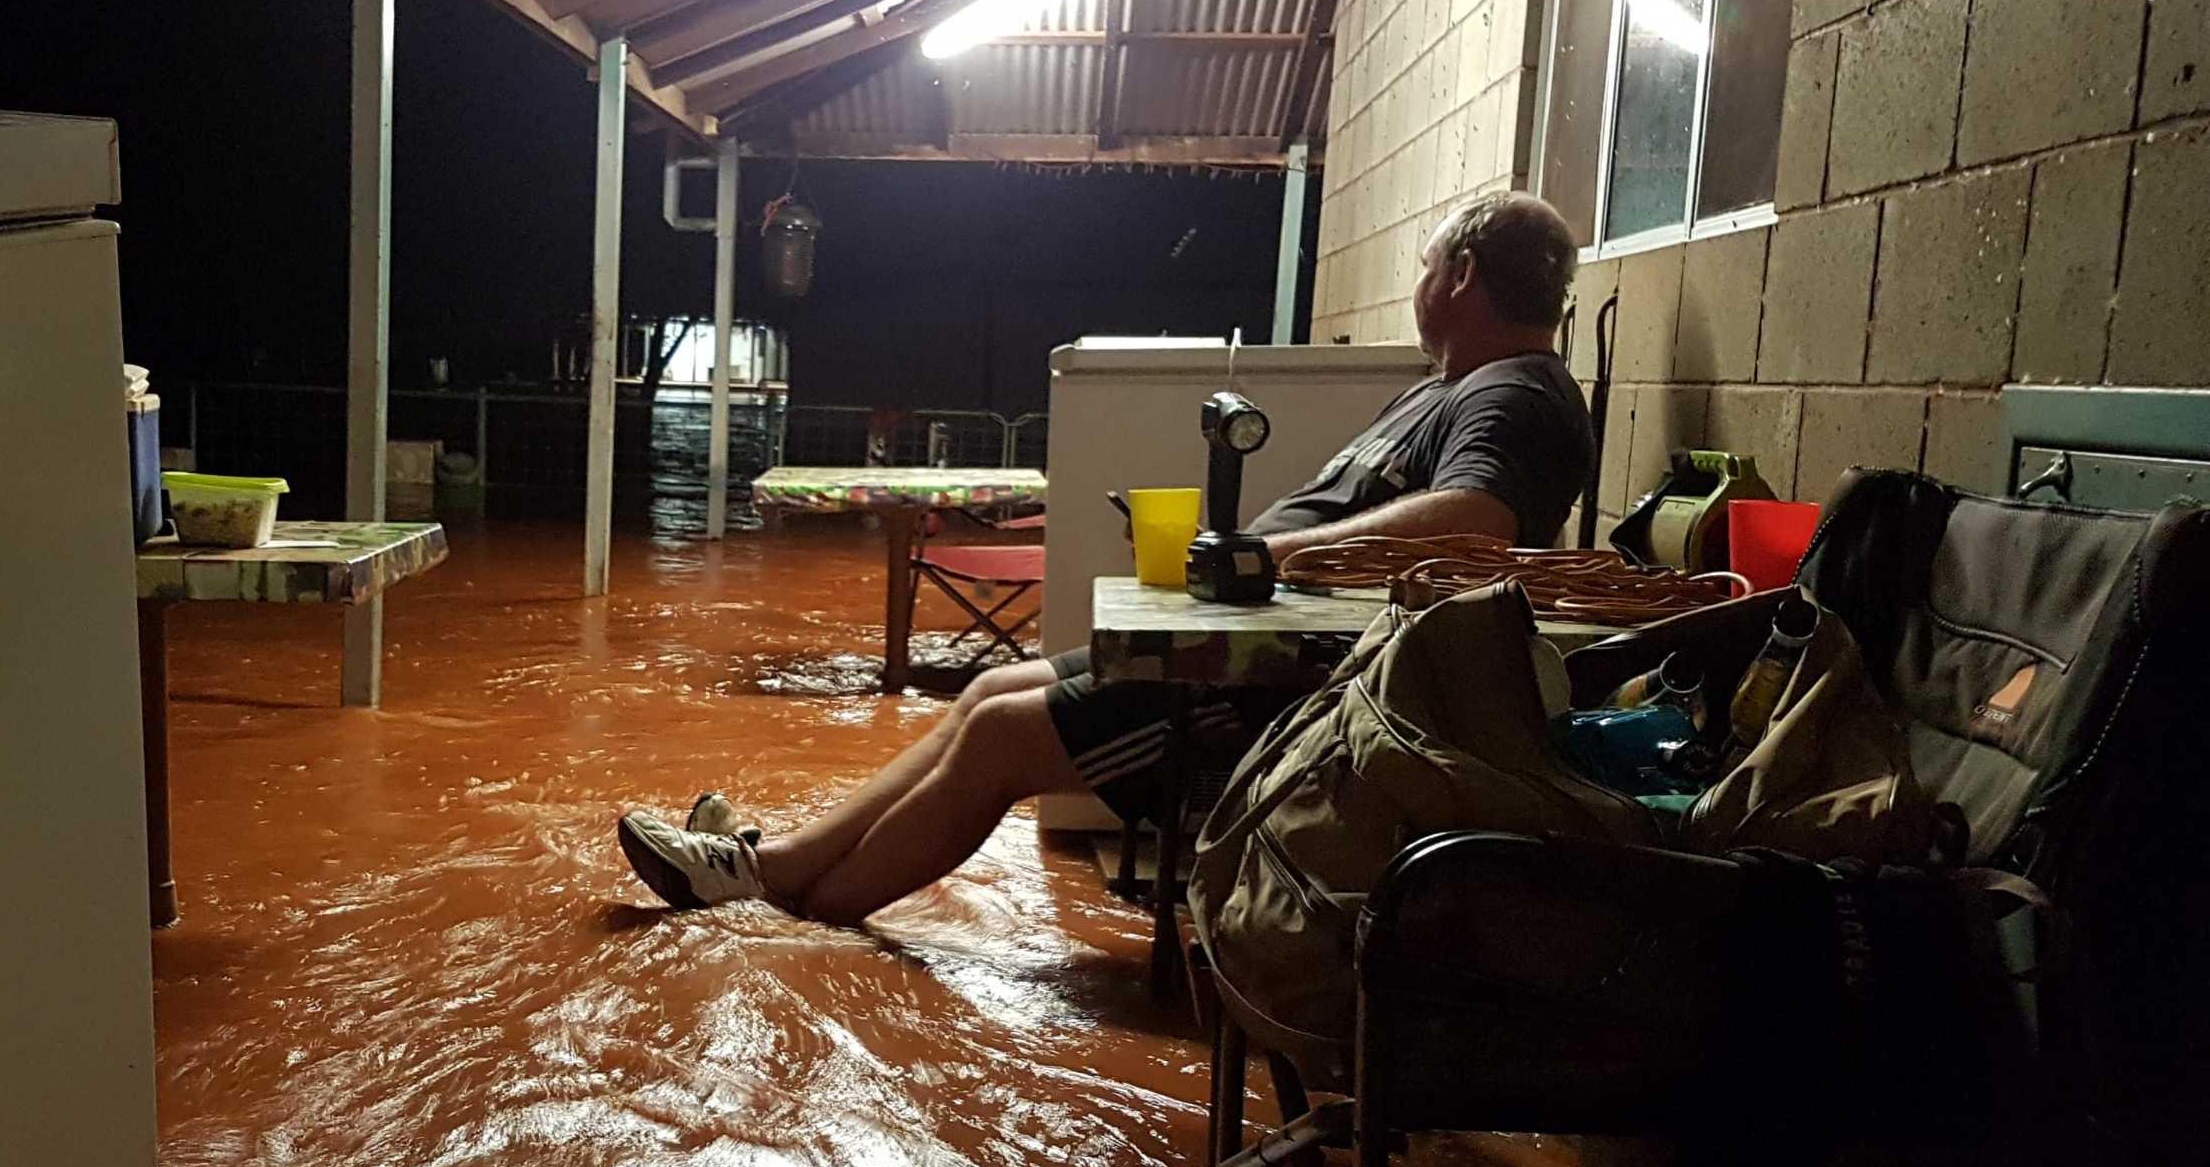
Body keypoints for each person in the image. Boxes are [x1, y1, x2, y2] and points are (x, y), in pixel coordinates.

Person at [617, 190, 1598, 923]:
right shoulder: (1456, 387)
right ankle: (772, 864)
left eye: (1428, 269)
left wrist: (1268, 557)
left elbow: (1479, 518)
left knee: (1006, 741)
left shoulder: (1513, 391)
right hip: (1234, 641)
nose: (1420, 288)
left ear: (1462, 275)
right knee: (987, 698)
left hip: (1281, 682)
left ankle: (788, 906)